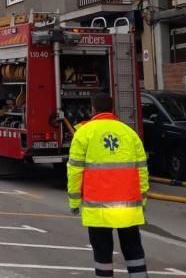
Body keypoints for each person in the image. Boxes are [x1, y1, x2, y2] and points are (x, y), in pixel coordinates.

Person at [67, 93, 149, 278]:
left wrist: (73, 202)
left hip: (98, 208)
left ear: (92, 109)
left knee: (102, 253)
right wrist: (142, 200)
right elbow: (142, 170)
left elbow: (74, 171)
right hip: (127, 207)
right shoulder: (129, 133)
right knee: (134, 250)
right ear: (113, 109)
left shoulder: (84, 133)